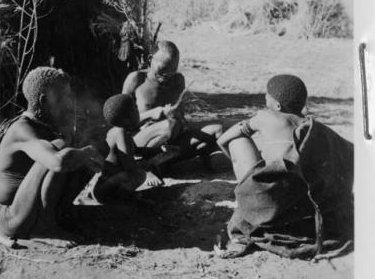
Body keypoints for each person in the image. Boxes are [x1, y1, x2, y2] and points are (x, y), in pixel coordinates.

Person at [217, 74, 354, 259]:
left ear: (277, 106)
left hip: (272, 206)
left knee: (238, 142)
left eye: (267, 96)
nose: (265, 98)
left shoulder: (265, 117)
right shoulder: (316, 128)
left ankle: (248, 201)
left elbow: (223, 140)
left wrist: (246, 174)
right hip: (303, 208)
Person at [0, 67, 104, 240]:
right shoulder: (23, 130)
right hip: (11, 219)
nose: (69, 102)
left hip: (27, 213)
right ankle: (43, 228)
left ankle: (59, 215)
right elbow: (57, 162)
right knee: (61, 149)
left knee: (77, 153)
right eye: (63, 97)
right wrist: (89, 152)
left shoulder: (46, 124)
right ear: (44, 101)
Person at [122, 40, 223, 169]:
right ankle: (147, 165)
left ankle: (165, 161)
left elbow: (181, 118)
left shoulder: (178, 80)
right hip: (142, 143)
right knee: (169, 124)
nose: (166, 76)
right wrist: (150, 114)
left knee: (217, 130)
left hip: (172, 140)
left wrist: (179, 117)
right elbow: (121, 122)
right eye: (163, 70)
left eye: (172, 71)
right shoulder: (136, 79)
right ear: (150, 59)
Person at [92, 93, 174, 203]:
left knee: (136, 172)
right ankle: (121, 199)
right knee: (138, 175)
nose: (138, 112)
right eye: (135, 109)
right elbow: (130, 167)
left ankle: (121, 196)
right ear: (128, 116)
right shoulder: (121, 133)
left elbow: (137, 151)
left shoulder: (117, 131)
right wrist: (151, 163)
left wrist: (159, 150)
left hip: (104, 185)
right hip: (104, 190)